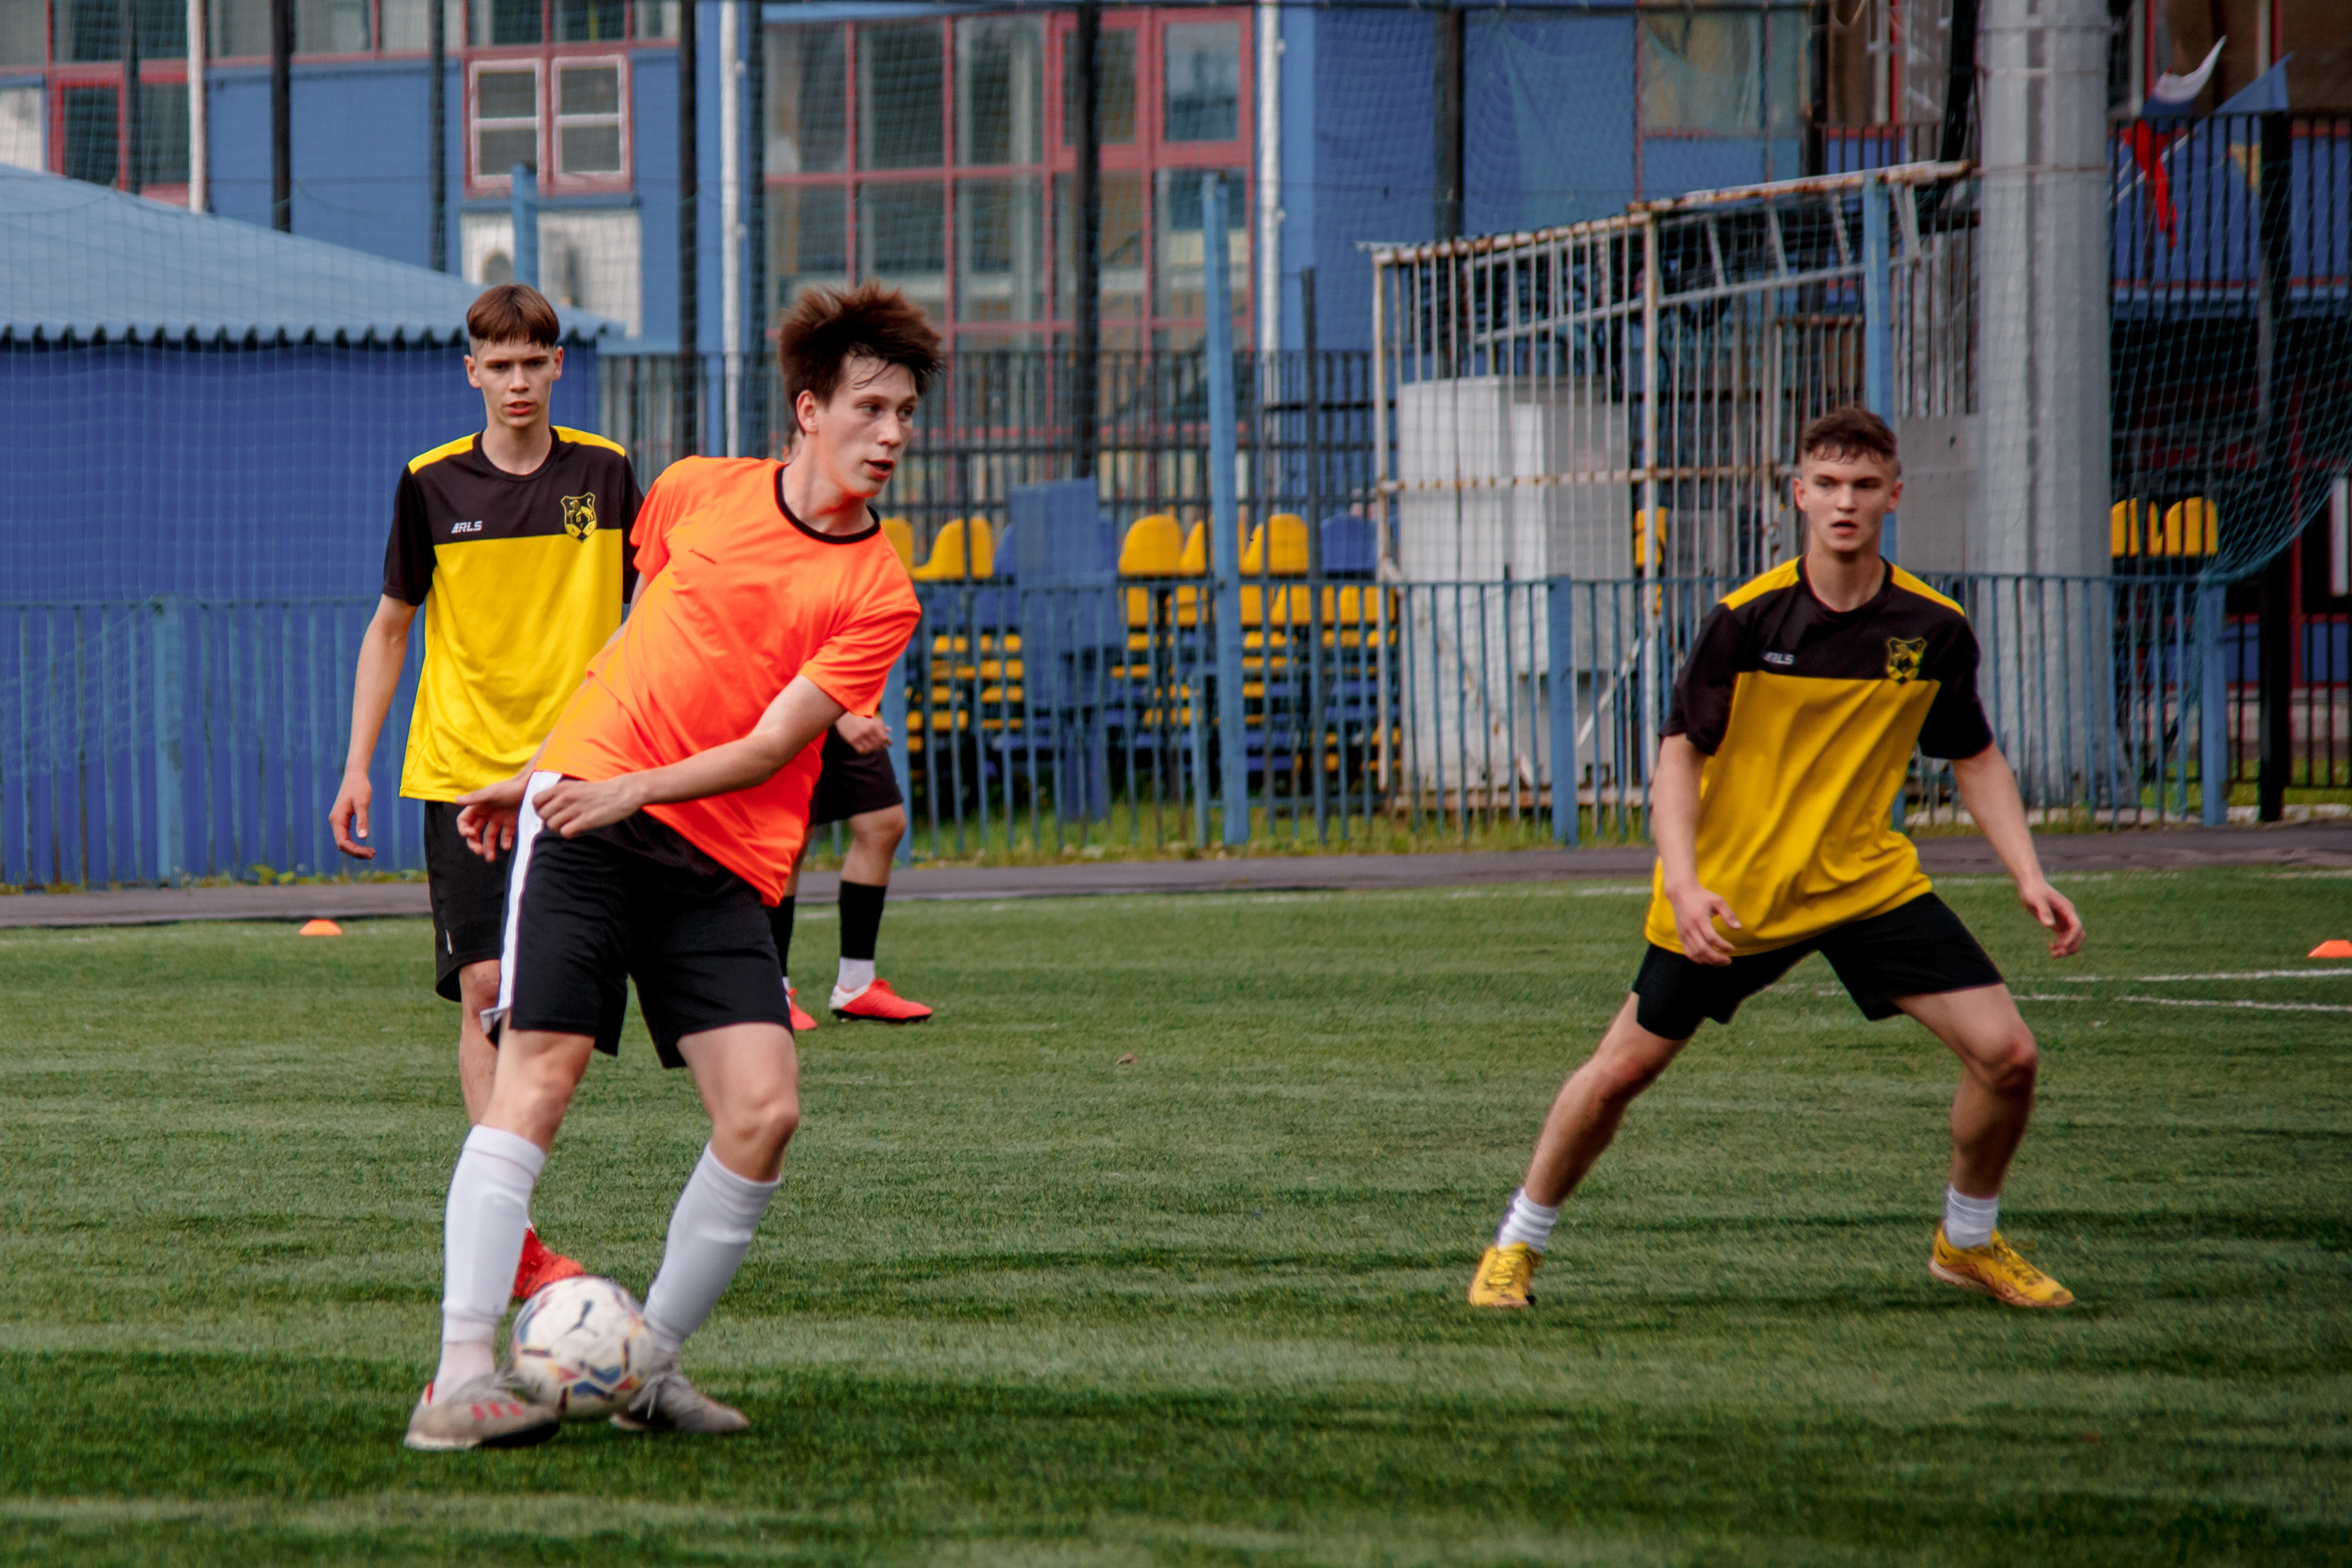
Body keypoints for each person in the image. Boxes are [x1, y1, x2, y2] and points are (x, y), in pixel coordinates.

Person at [402, 281, 933, 1451]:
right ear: (808, 409)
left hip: (720, 858)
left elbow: (766, 746)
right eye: (873, 409)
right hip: (589, 828)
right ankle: (455, 1382)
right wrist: (551, 769)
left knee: (765, 1111)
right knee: (537, 1078)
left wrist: (625, 783)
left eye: (906, 415)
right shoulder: (694, 489)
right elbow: (640, 646)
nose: (894, 436)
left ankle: (646, 1368)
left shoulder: (878, 592)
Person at [1467, 406, 2085, 1314]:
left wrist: (2027, 874)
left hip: (1863, 883)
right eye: (1827, 485)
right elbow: (1680, 749)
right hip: (1737, 890)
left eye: (1864, 486)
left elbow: (1972, 752)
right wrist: (1681, 880)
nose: (1845, 502)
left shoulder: (1932, 626)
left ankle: (1966, 1242)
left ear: (1893, 497)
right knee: (1618, 1076)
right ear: (1797, 495)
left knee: (2008, 1056)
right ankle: (1514, 1245)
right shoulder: (1745, 620)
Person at [331, 282, 637, 1304]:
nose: (515, 380)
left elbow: (653, 618)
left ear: (558, 366)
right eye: (495, 364)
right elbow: (389, 627)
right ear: (472, 372)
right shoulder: (427, 483)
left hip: (577, 775)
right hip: (463, 774)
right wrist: (356, 764)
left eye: (532, 362)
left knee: (556, 1008)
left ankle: (504, 1189)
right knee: (485, 990)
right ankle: (511, 1233)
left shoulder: (607, 473)